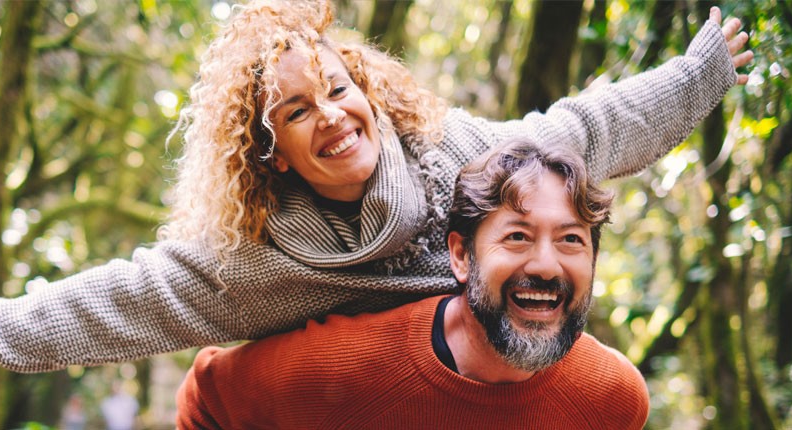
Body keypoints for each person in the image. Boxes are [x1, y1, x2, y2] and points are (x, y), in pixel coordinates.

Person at [0, 0, 753, 399]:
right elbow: (111, 303)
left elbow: (585, 131)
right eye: (295, 109)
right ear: (271, 152)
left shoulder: (450, 157)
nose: (330, 115)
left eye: (336, 87)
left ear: (368, 89)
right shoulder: (248, 261)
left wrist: (700, 73)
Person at [176, 138, 640, 429]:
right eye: (517, 237)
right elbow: (209, 400)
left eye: (571, 240)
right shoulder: (345, 369)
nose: (545, 265)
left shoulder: (613, 398)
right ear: (462, 255)